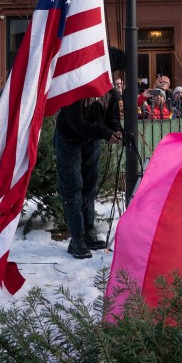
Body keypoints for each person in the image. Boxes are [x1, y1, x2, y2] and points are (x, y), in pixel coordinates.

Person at [54, 91, 123, 259]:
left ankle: (87, 234)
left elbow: (112, 117)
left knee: (89, 186)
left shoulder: (111, 93)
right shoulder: (76, 89)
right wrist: (105, 133)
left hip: (92, 140)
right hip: (69, 138)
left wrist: (116, 129)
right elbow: (76, 123)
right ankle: (76, 238)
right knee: (73, 186)